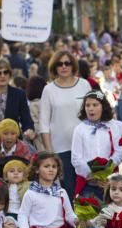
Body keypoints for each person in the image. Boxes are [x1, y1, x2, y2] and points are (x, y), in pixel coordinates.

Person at [70, 90, 122, 228]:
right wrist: (91, 174)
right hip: (88, 183)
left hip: (109, 184)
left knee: (108, 227)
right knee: (91, 227)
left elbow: (119, 150)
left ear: (103, 107)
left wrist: (108, 174)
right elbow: (76, 157)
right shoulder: (80, 129)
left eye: (95, 104)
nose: (91, 108)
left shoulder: (112, 127)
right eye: (87, 105)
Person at [39, 52, 93, 196]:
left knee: (87, 188)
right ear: (54, 67)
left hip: (85, 147)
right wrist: (50, 152)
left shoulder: (84, 85)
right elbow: (43, 123)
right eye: (59, 64)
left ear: (73, 65)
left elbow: (93, 113)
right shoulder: (48, 90)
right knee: (68, 190)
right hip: (60, 149)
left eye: (67, 63)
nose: (63, 67)